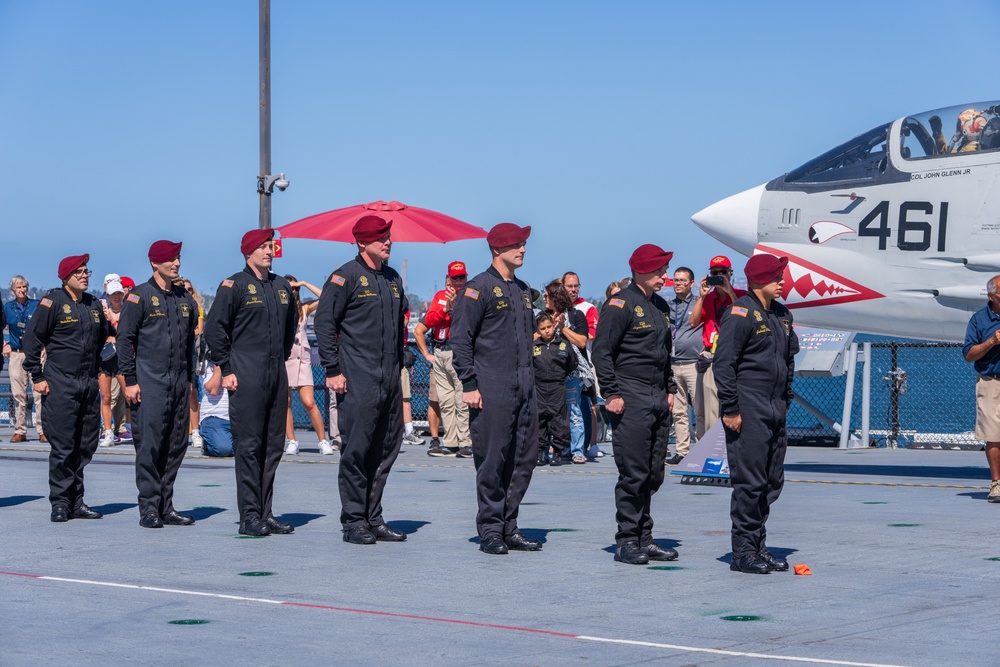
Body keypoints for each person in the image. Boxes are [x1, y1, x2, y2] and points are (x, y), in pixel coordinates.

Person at [314, 215, 409, 545]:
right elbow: (325, 324)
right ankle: (354, 521)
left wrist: (401, 362)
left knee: (385, 450)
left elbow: (400, 324)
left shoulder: (393, 279)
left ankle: (373, 516)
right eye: (381, 238)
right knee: (356, 450)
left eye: (389, 237)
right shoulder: (345, 278)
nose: (388, 242)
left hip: (389, 379)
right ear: (361, 242)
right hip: (358, 378)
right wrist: (332, 370)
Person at [451, 222, 542, 555]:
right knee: (492, 459)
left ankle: (509, 524)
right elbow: (460, 339)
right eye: (517, 244)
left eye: (523, 244)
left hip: (524, 386)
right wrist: (470, 383)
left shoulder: (522, 289)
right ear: (497, 249)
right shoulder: (477, 289)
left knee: (524, 457)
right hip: (491, 385)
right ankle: (490, 529)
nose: (523, 249)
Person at [204, 228, 299, 537]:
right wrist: (226, 367)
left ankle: (265, 511)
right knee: (249, 446)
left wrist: (280, 359)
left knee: (273, 446)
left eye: (270, 246)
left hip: (275, 372)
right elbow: (215, 329)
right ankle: (249, 516)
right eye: (263, 247)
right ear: (248, 253)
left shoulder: (281, 285)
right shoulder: (234, 286)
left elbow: (291, 325)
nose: (269, 251)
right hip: (246, 373)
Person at [592, 244, 678, 565]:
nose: (665, 277)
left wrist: (669, 388)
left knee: (654, 473)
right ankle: (628, 540)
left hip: (657, 398)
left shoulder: (660, 306)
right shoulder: (619, 304)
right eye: (659, 271)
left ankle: (645, 537)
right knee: (634, 473)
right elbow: (602, 352)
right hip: (630, 396)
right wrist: (611, 393)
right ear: (641, 270)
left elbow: (665, 353)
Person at [714, 253, 798, 574]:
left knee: (771, 481)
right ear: (760, 280)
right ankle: (743, 552)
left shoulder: (782, 315)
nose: (782, 282)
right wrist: (731, 408)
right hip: (748, 409)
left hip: (775, 408)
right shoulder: (739, 314)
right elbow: (724, 364)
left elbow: (788, 362)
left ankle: (758, 547)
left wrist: (786, 399)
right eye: (777, 278)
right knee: (749, 482)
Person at [22, 254, 113, 522]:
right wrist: (37, 376)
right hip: (60, 383)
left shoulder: (93, 305)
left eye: (87, 271)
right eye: (79, 272)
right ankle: (60, 503)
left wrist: (102, 363)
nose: (85, 276)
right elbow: (31, 339)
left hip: (87, 383)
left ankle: (77, 501)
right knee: (62, 446)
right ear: (66, 277)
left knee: (85, 444)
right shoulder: (52, 303)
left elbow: (106, 336)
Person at [117, 240, 199, 529]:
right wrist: (129, 380)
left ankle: (166, 506)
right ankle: (149, 508)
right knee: (150, 446)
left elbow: (191, 343)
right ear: (155, 263)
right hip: (149, 382)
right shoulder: (139, 297)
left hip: (178, 382)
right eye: (171, 259)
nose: (177, 263)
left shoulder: (184, 298)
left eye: (178, 258)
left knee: (177, 444)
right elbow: (124, 341)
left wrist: (190, 379)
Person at [413, 260, 471, 458]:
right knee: (445, 400)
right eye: (455, 278)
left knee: (461, 399)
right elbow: (427, 322)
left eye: (462, 277)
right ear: (449, 278)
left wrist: (457, 306)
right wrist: (446, 309)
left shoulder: (471, 295)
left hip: (459, 352)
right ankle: (451, 441)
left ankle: (465, 442)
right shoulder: (440, 297)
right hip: (440, 352)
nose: (459, 281)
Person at [691, 255, 746, 440]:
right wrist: (701, 297)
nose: (719, 276)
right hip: (710, 355)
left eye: (723, 272)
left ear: (730, 274)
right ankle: (706, 449)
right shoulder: (708, 298)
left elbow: (744, 313)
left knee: (728, 406)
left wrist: (729, 291)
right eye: (715, 273)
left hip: (731, 354)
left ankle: (725, 447)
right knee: (707, 409)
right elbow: (694, 322)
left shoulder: (740, 296)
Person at [283, 275, 336, 455]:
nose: (294, 291)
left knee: (309, 402)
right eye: (290, 288)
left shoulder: (304, 308)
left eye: (296, 288)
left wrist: (305, 283)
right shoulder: (280, 308)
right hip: (286, 357)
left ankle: (323, 440)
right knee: (286, 402)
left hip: (303, 359)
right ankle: (291, 440)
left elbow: (325, 297)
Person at [962, 275, 1000, 503]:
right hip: (991, 381)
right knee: (993, 435)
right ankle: (997, 483)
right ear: (991, 296)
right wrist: (991, 342)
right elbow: (968, 355)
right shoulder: (979, 320)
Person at [542, 281, 589, 464]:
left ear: (556, 297)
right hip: (548, 373)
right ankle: (547, 450)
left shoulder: (576, 315)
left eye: (547, 296)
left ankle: (577, 450)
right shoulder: (543, 316)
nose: (544, 299)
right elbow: (534, 337)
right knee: (547, 412)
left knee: (573, 410)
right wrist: (550, 330)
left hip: (572, 372)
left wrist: (562, 328)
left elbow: (582, 342)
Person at [666, 267, 702, 465]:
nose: (678, 283)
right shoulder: (669, 306)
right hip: (674, 363)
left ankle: (703, 448)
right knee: (678, 411)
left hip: (693, 363)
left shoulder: (699, 303)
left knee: (699, 408)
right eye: (675, 280)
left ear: (691, 283)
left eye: (682, 280)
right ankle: (682, 451)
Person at [3, 275, 45, 443]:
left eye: (24, 287)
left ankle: (43, 430)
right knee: (19, 394)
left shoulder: (36, 305)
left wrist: (45, 346)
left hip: (35, 353)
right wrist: (4, 344)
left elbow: (46, 327)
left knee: (39, 393)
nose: (22, 290)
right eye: (19, 287)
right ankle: (20, 430)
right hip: (16, 353)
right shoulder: (7, 308)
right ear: (13, 290)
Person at [533, 311, 577, 466]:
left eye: (549, 327)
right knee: (539, 419)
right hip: (538, 387)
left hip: (557, 386)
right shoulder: (534, 346)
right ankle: (540, 453)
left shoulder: (564, 345)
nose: (547, 331)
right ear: (538, 331)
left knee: (558, 420)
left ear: (553, 326)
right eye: (543, 328)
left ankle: (557, 452)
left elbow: (572, 363)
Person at [97, 279, 126, 447]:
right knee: (106, 397)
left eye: (119, 293)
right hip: (106, 357)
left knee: (130, 395)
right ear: (107, 295)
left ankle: (137, 429)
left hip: (122, 357)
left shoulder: (128, 312)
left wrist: (113, 322)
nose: (116, 296)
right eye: (113, 294)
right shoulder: (102, 314)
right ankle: (108, 431)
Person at [182, 278, 206, 450]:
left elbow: (198, 331)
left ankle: (195, 431)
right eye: (185, 289)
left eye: (190, 290)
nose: (188, 292)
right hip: (175, 355)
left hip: (192, 353)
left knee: (193, 392)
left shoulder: (196, 308)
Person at [198, 351, 233, 457]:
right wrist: (219, 364)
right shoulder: (205, 366)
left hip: (237, 419)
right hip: (214, 418)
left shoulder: (238, 363)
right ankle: (208, 444)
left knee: (254, 448)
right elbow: (213, 390)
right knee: (224, 449)